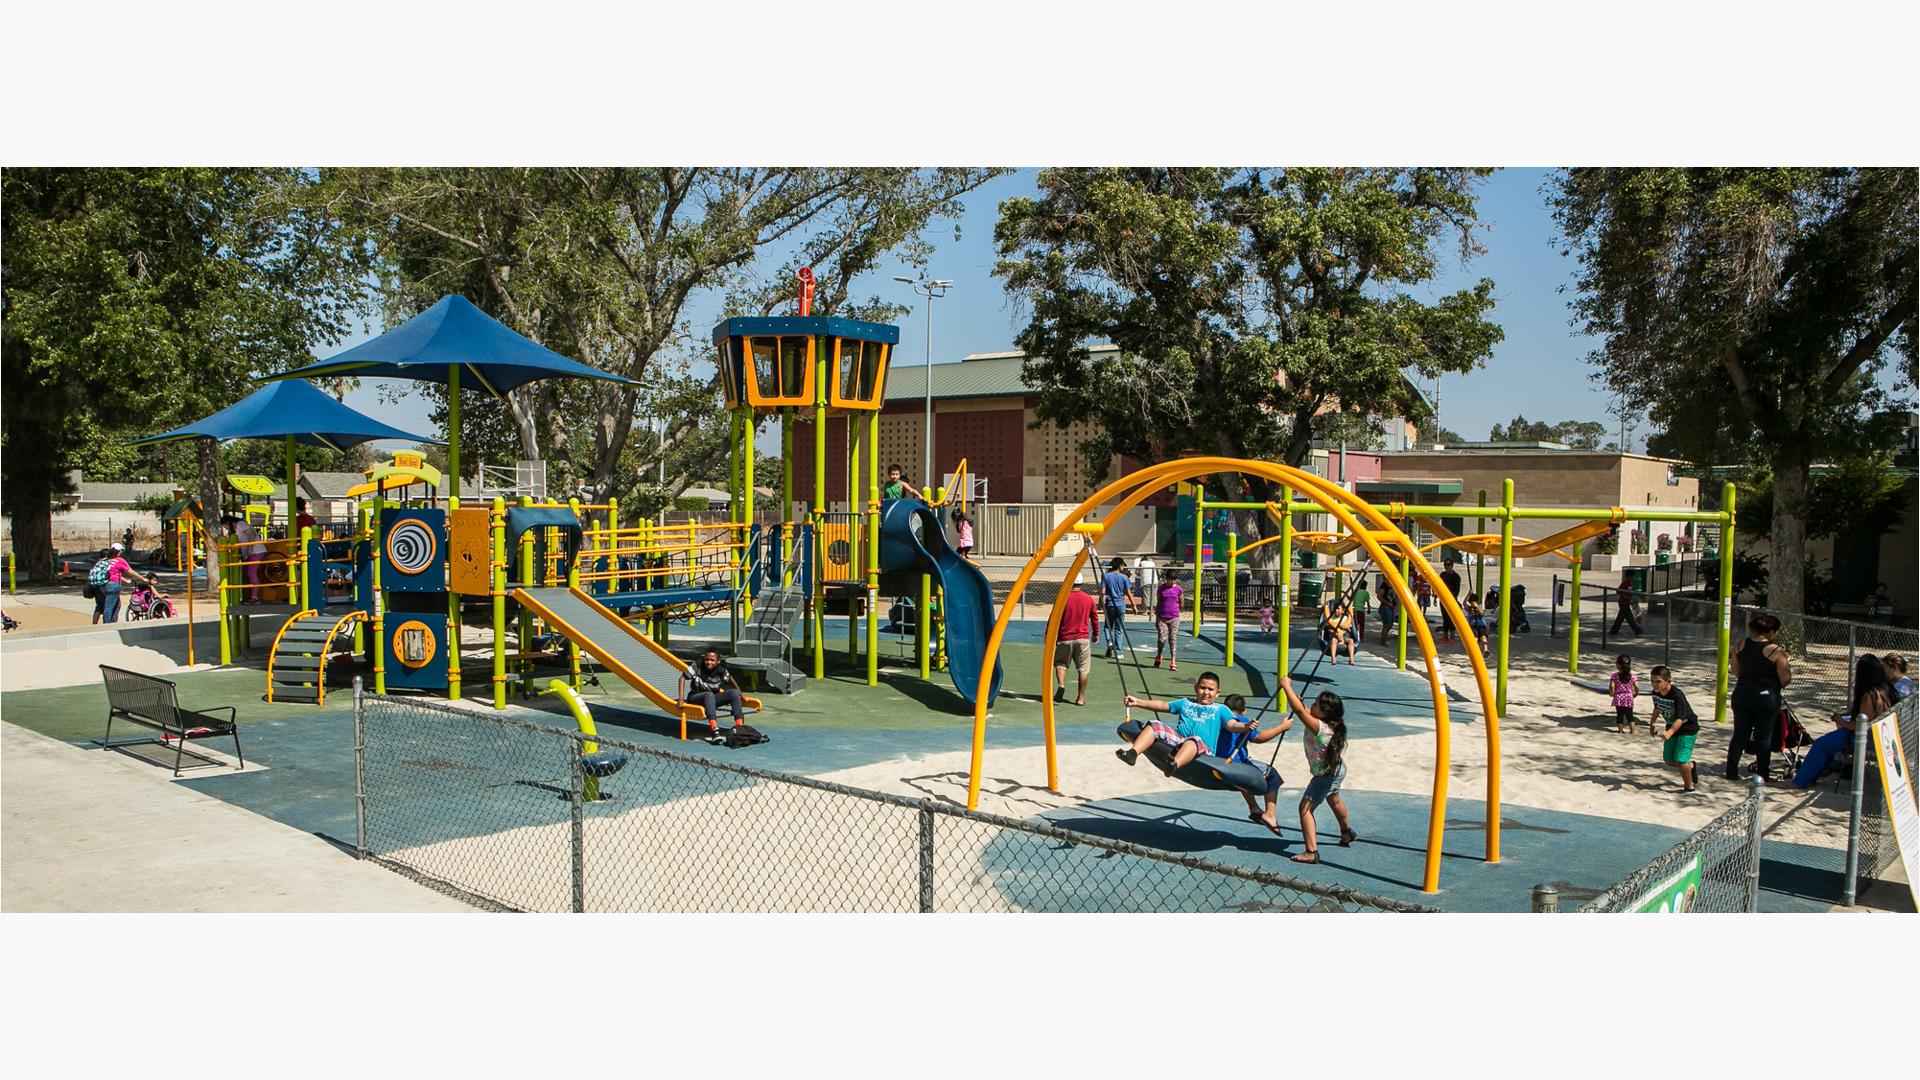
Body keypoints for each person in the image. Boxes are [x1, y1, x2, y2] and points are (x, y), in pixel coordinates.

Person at [1277, 675, 1355, 863]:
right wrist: (1295, 698)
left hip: (1325, 776)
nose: (1312, 704)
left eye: (1316, 704)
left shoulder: (1320, 728)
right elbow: (1302, 710)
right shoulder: (1331, 725)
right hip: (1337, 769)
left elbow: (1299, 710)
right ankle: (1347, 832)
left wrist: (1286, 686)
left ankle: (1311, 852)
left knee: (1305, 808)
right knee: (1334, 800)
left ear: (1324, 713)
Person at [1792, 655, 1899, 789]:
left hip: (1865, 739)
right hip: (1878, 735)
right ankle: (1813, 776)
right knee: (1828, 745)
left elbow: (1860, 726)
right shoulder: (1886, 689)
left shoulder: (1870, 695)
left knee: (1820, 745)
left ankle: (1800, 782)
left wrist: (1841, 721)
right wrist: (1844, 715)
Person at [1117, 671, 1236, 772]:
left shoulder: (1220, 709)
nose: (1206, 692)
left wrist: (1246, 726)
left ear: (1217, 693)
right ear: (1195, 688)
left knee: (1194, 740)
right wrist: (1137, 702)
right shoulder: (1186, 703)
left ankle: (1174, 764)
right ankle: (1133, 754)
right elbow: (1162, 705)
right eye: (1202, 688)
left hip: (1203, 750)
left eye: (1210, 689)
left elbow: (1232, 725)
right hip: (1179, 742)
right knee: (1154, 725)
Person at [1727, 613, 1791, 782]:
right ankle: (1763, 773)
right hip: (1766, 696)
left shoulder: (1739, 646)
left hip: (1742, 693)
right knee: (1764, 736)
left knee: (1739, 734)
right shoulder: (1776, 651)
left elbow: (1735, 671)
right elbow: (1785, 679)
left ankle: (1731, 771)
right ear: (1771, 632)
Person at [1222, 692, 1291, 834]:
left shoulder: (1220, 719)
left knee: (1242, 774)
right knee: (1272, 774)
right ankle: (1270, 814)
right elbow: (1259, 738)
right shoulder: (1242, 720)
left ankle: (1253, 806)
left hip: (1219, 762)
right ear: (1244, 710)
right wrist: (1282, 727)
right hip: (1236, 765)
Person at [1648, 665, 1702, 792]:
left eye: (1658, 682)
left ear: (1668, 682)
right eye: (1652, 681)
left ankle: (1689, 787)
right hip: (1671, 727)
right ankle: (1692, 766)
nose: (1654, 685)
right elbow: (1657, 707)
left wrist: (1669, 732)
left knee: (1681, 760)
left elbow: (1679, 719)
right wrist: (1652, 723)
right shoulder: (1655, 693)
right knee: (1669, 760)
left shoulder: (1677, 696)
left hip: (1687, 728)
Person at [677, 649, 747, 740]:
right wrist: (681, 699)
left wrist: (741, 695)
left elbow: (731, 680)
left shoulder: (721, 671)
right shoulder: (697, 666)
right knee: (709, 695)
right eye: (707, 659)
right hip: (695, 697)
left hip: (711, 699)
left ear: (718, 661)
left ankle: (739, 727)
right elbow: (682, 678)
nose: (709, 662)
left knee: (734, 693)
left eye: (712, 660)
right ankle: (714, 729)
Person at [1054, 583, 1099, 707]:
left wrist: (1049, 634)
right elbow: (1094, 617)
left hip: (1065, 637)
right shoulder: (1088, 599)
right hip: (1082, 638)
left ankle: (1061, 685)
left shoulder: (1062, 598)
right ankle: (1080, 698)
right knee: (1083, 668)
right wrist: (1096, 633)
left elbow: (1054, 617)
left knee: (1061, 664)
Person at [90, 543, 154, 625]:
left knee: (117, 605)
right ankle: (107, 626)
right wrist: (143, 579)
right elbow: (131, 572)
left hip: (102, 585)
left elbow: (110, 573)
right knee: (109, 607)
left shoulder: (104, 560)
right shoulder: (119, 560)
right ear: (119, 552)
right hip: (113, 585)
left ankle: (113, 623)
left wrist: (125, 581)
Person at [222, 515, 267, 602]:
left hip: (256, 551)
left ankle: (255, 597)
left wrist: (249, 550)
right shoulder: (237, 530)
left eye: (225, 527)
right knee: (249, 573)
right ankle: (251, 595)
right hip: (253, 552)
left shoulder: (241, 524)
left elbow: (251, 534)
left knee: (252, 572)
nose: (226, 529)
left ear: (228, 523)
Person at [1100, 557, 1133, 658]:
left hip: (1109, 604)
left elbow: (1102, 591)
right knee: (1119, 628)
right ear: (1119, 565)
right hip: (1120, 605)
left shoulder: (1106, 576)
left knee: (1107, 626)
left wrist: (1101, 603)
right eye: (1123, 564)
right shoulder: (1124, 578)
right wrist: (1133, 605)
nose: (1123, 566)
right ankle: (1119, 652)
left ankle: (1110, 642)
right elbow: (1128, 592)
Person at [1153, 575, 1183, 671]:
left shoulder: (1178, 589)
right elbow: (1159, 602)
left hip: (1174, 617)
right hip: (1162, 617)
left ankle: (1173, 661)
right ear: (1167, 579)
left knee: (1172, 638)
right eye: (1171, 580)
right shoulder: (1161, 589)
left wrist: (1177, 611)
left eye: (1174, 580)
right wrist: (1157, 615)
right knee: (1162, 638)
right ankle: (1159, 654)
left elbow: (1181, 602)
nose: (1173, 582)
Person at [1609, 654, 1641, 734]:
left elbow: (1612, 686)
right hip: (1628, 698)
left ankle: (1620, 730)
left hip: (1618, 697)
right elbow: (1637, 687)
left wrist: (1612, 694)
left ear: (1618, 665)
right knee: (1630, 715)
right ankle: (1632, 731)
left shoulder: (1614, 676)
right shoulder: (1633, 676)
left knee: (1619, 715)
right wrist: (1636, 694)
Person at [1321, 595, 1357, 665]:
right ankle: (1333, 658)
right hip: (1334, 636)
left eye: (1338, 609)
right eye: (1335, 609)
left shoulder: (1346, 618)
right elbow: (1329, 629)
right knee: (1334, 640)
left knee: (1351, 641)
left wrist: (1344, 628)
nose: (1336, 611)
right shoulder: (1332, 618)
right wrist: (1337, 634)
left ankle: (1351, 659)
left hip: (1344, 636)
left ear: (1343, 610)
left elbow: (1349, 630)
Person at [1438, 560, 1462, 641]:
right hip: (1443, 599)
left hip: (1452, 599)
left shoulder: (1456, 576)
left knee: (1451, 617)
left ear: (1452, 565)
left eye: (1448, 565)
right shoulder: (1442, 575)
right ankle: (1445, 635)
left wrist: (1452, 598)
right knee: (1444, 617)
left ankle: (1452, 636)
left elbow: (1457, 590)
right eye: (1445, 565)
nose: (1446, 566)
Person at [1377, 574, 1399, 645]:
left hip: (1391, 607)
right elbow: (1379, 596)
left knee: (1390, 624)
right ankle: (1383, 641)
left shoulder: (1392, 584)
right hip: (1386, 607)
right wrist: (1388, 603)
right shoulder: (1384, 585)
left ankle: (1384, 639)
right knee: (1387, 625)